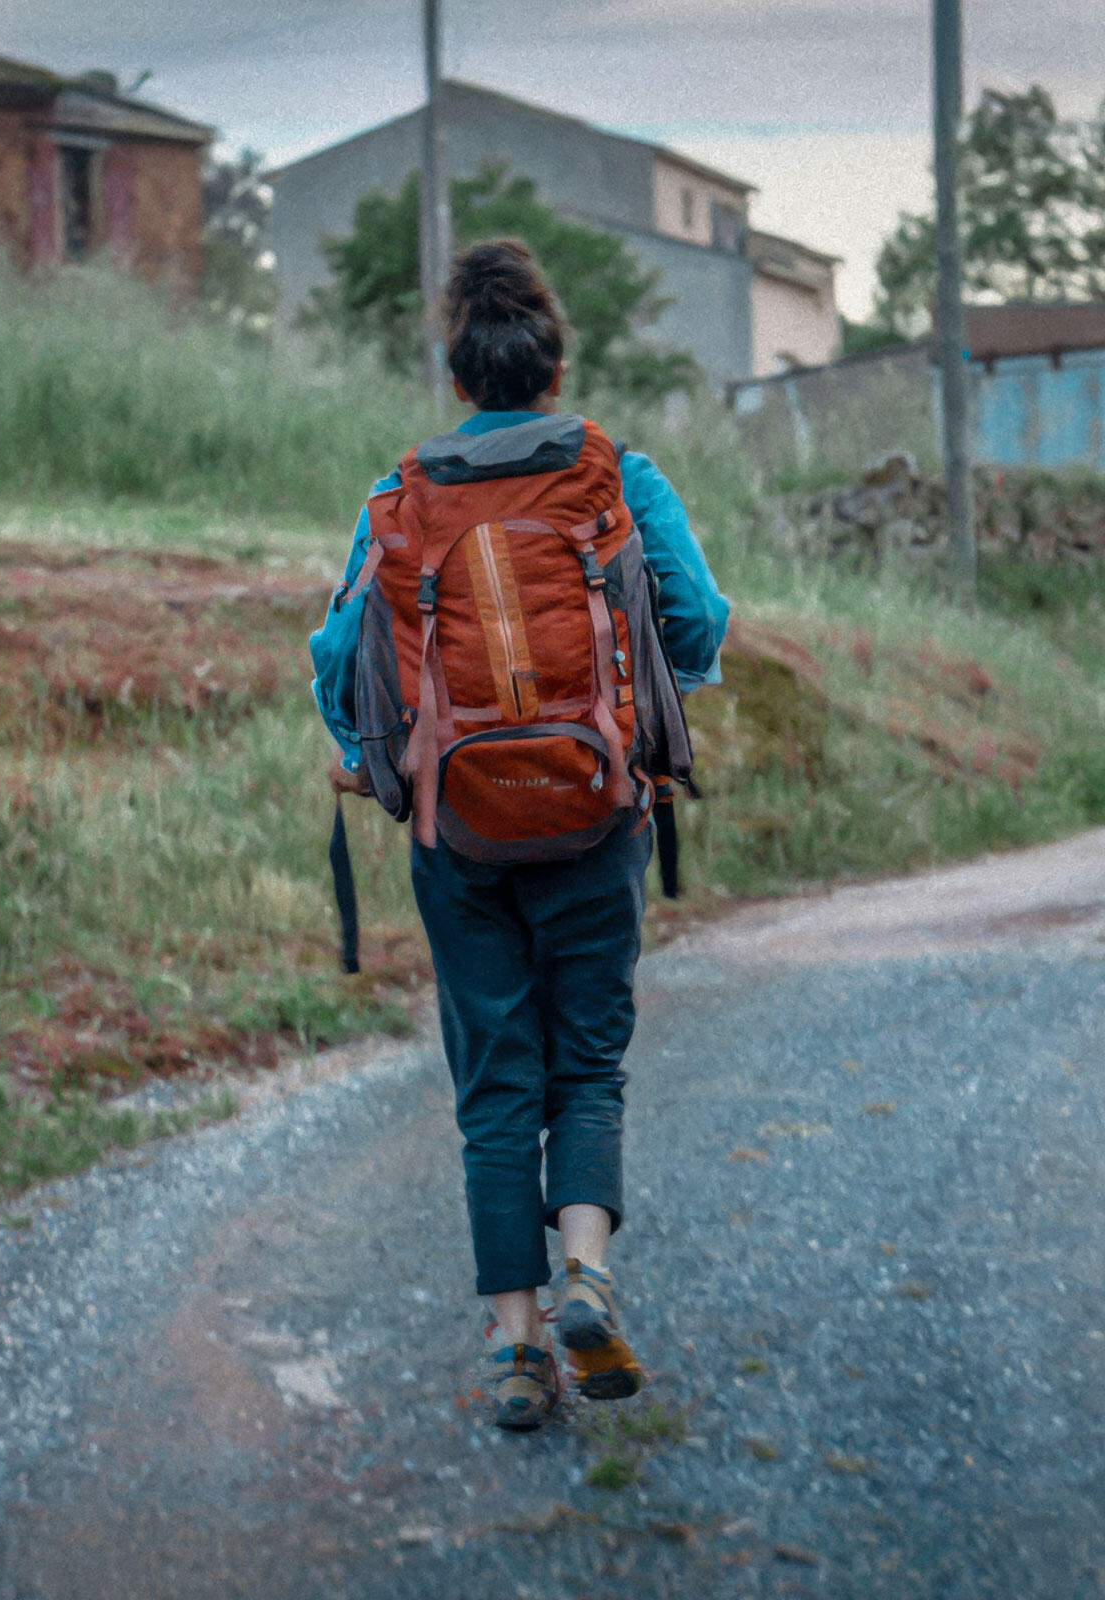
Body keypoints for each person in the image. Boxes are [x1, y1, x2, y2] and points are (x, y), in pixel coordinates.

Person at [310, 239, 728, 1430]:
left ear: (459, 371)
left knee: (497, 1081)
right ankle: (589, 1268)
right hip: (599, 811)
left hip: (459, 829)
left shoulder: (399, 498)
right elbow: (697, 620)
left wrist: (358, 750)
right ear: (553, 362)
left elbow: (343, 655)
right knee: (586, 1061)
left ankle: (514, 1349)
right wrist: (654, 699)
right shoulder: (615, 478)